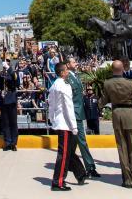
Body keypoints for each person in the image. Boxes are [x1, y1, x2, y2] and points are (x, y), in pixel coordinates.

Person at [99, 60, 132, 189]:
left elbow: (102, 101)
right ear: (123, 69)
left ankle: (127, 179)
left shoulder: (107, 83)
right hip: (130, 114)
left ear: (112, 70)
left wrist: (99, 105)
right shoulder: (130, 83)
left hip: (117, 114)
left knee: (122, 147)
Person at [47, 62, 87, 191]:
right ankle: (58, 181)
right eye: (66, 70)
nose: (68, 72)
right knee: (63, 154)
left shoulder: (54, 85)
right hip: (65, 123)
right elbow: (68, 108)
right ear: (62, 72)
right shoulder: (64, 86)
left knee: (68, 151)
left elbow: (51, 104)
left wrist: (52, 118)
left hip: (60, 122)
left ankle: (80, 174)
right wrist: (74, 126)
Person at [67, 57, 100, 178]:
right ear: (68, 64)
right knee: (81, 141)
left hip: (79, 112)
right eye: (73, 62)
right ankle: (90, 167)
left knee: (74, 144)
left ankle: (70, 165)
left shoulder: (75, 76)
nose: (76, 63)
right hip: (74, 114)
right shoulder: (68, 79)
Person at [0, 56, 18, 151]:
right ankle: (7, 142)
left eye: (7, 61)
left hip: (11, 98)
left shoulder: (13, 72)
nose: (6, 62)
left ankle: (14, 143)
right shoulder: (0, 73)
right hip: (3, 99)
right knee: (5, 122)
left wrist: (8, 69)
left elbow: (16, 82)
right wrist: (0, 92)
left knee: (13, 122)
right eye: (4, 61)